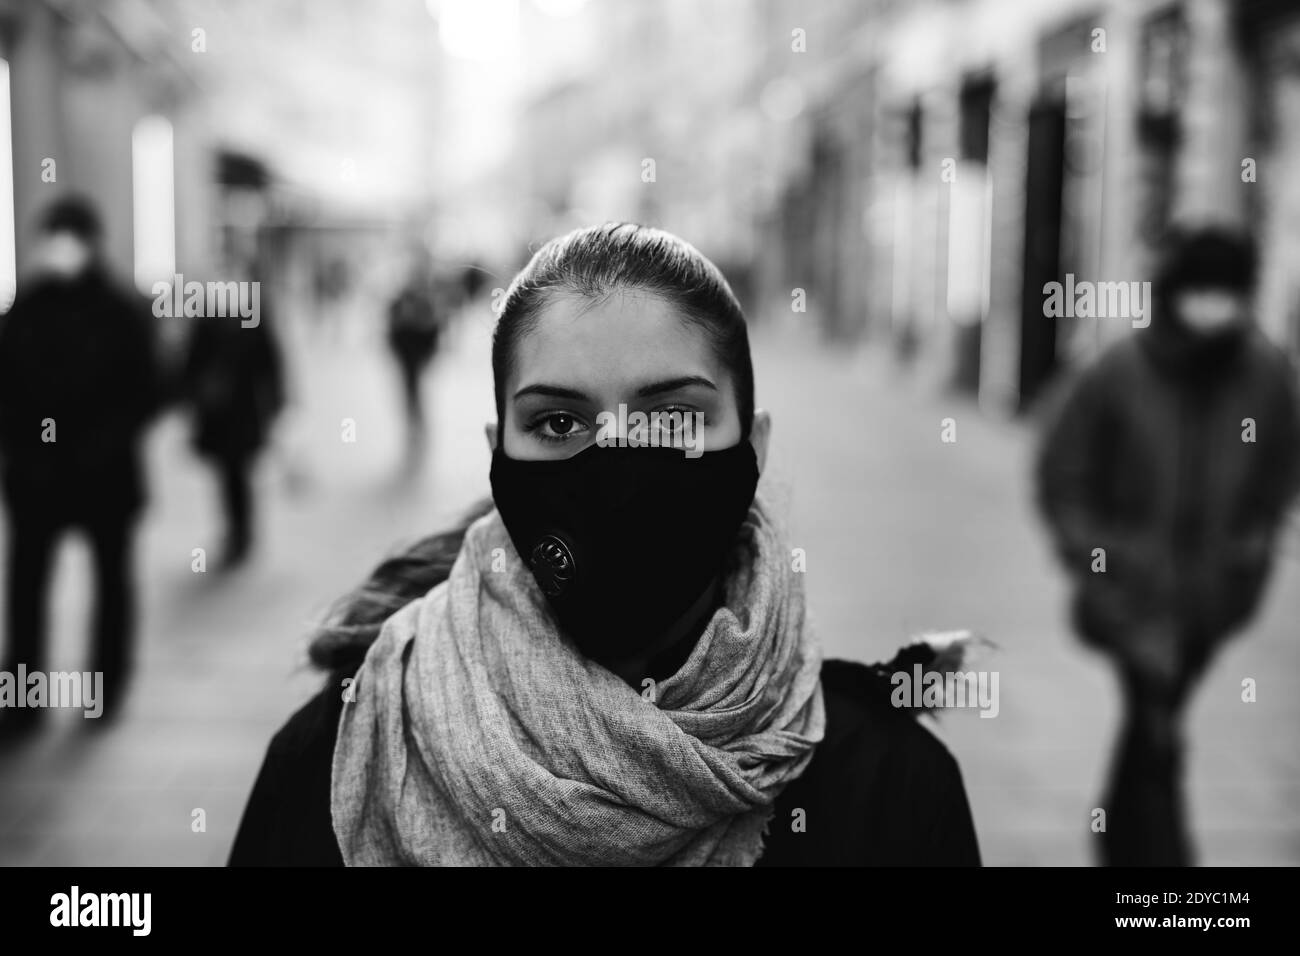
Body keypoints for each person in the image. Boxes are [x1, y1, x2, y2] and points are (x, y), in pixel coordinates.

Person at [230, 223, 980, 866]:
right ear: (499, 455)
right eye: (559, 423)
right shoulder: (347, 752)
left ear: (753, 447)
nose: (619, 476)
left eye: (672, 418)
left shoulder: (890, 789)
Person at [1035, 226, 1300, 867]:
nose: (1214, 307)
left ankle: (1119, 833)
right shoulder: (1120, 371)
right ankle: (1168, 876)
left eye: (1227, 293)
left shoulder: (1263, 374)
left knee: (1156, 716)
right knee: (1157, 720)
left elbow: (1279, 470)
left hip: (1215, 594)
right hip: (1131, 591)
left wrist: (1254, 546)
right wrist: (1094, 555)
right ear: (1177, 290)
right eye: (1202, 290)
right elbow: (1062, 472)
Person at [0, 196, 159, 732]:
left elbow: (148, 391)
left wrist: (101, 442)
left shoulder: (121, 310)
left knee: (111, 586)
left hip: (104, 478)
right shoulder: (26, 307)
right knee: (26, 589)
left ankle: (105, 689)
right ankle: (22, 696)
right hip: (35, 479)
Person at [180, 257, 285, 570]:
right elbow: (191, 365)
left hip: (243, 412)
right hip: (220, 415)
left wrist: (276, 400)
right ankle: (236, 530)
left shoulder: (249, 319)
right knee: (227, 475)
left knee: (237, 474)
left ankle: (242, 532)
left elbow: (270, 361)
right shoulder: (207, 320)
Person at [384, 254, 443, 467]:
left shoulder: (424, 300)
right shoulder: (402, 299)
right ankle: (413, 425)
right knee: (410, 390)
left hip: (416, 353)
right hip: (406, 354)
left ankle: (418, 426)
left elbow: (434, 329)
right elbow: (391, 328)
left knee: (414, 390)